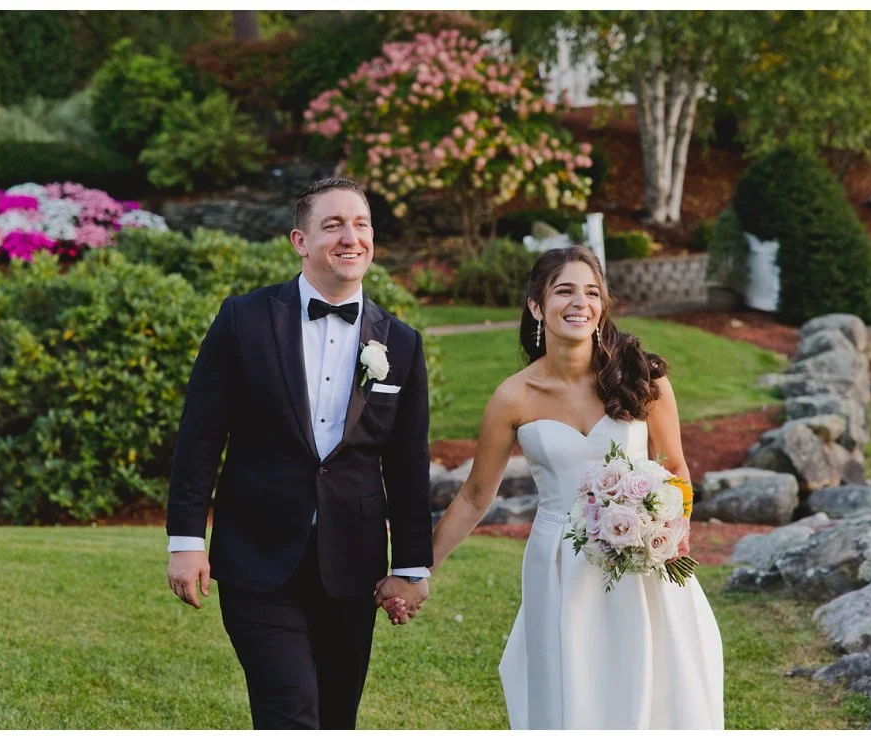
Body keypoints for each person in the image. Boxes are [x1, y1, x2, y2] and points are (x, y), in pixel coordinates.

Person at [394, 245, 725, 729]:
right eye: (564, 291)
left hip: (642, 561)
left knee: (649, 682)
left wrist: (667, 531)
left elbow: (674, 466)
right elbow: (475, 495)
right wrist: (416, 571)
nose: (579, 303)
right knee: (570, 686)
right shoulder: (513, 397)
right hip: (558, 563)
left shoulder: (642, 377)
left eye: (591, 292)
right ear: (536, 306)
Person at [165, 177, 433, 730]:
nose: (350, 237)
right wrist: (186, 541)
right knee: (289, 710)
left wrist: (410, 566)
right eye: (333, 225)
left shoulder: (401, 342)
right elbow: (200, 437)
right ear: (300, 241)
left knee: (336, 718)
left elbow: (407, 465)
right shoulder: (243, 320)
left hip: (352, 562)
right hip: (256, 558)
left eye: (360, 224)